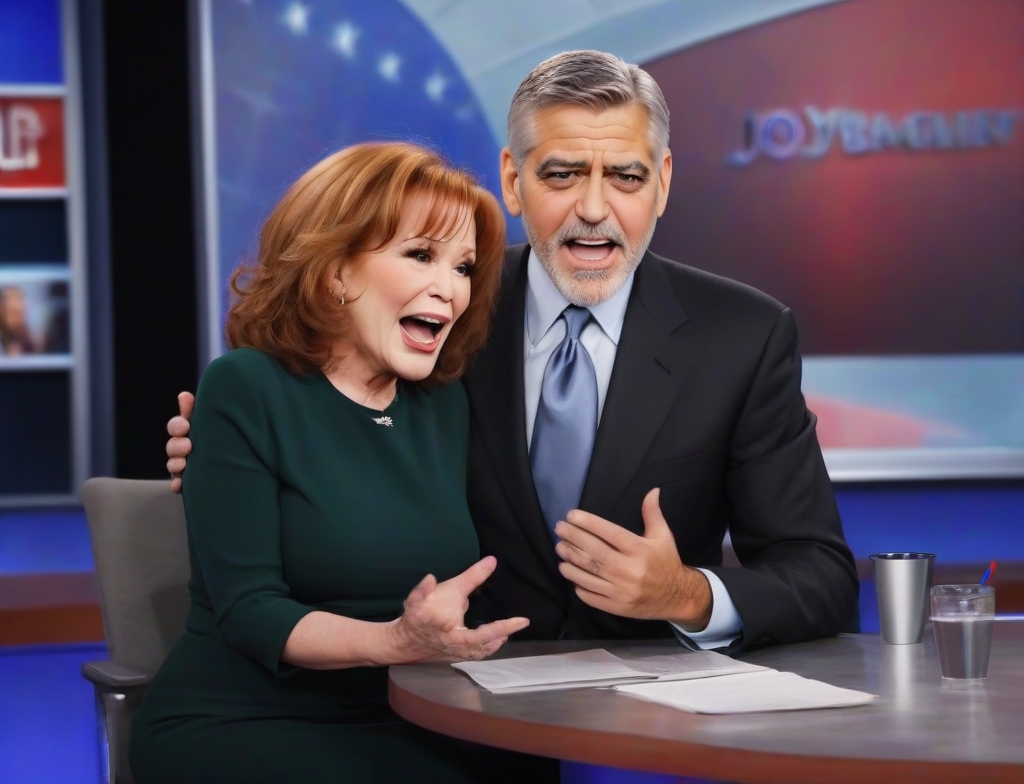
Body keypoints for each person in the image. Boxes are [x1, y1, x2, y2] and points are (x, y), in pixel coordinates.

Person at [168, 51, 858, 656]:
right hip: (451, 700)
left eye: (625, 177)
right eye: (561, 175)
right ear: (512, 179)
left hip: (647, 716)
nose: (594, 208)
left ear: (664, 182)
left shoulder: (744, 335)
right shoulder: (437, 309)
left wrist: (687, 595)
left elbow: (821, 575)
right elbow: (310, 403)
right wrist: (224, 449)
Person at [132, 141, 554, 784]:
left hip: (416, 714)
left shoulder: (446, 403)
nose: (449, 289)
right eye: (420, 255)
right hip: (247, 719)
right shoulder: (245, 387)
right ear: (334, 271)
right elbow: (249, 612)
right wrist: (395, 642)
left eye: (464, 267)